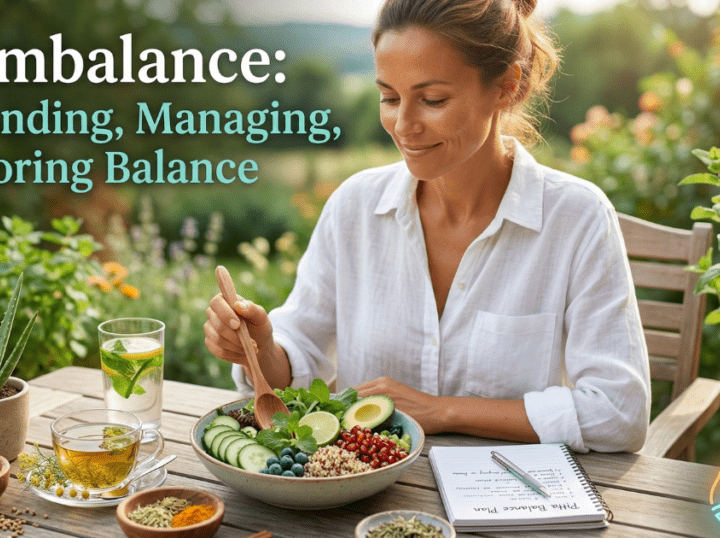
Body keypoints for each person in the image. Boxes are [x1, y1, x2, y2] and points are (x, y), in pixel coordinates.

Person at [203, 0, 650, 453]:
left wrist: (443, 410)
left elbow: (619, 412)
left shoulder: (576, 218)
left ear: (506, 88)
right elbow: (296, 366)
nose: (403, 125)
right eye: (389, 97)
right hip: (366, 498)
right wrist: (261, 347)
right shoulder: (354, 207)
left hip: (509, 503)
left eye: (432, 100)